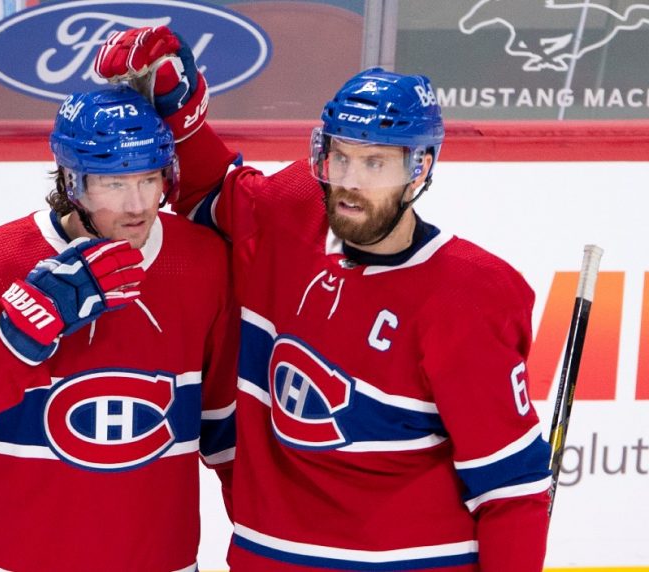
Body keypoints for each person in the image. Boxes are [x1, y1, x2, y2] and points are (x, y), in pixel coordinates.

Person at [95, 27, 552, 571]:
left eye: (375, 163)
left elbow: (511, 491)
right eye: (341, 158)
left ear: (420, 170)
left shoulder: (468, 297)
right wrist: (177, 106)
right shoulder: (292, 213)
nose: (350, 182)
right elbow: (207, 193)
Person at [0, 85, 237, 572]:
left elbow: (230, 435)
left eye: (149, 179)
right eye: (114, 184)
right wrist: (17, 337)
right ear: (71, 181)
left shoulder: (203, 263)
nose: (137, 205)